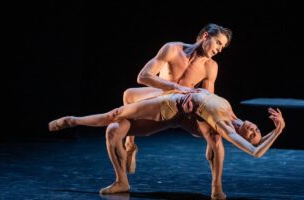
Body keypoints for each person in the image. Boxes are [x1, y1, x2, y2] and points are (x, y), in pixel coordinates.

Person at [49, 89, 286, 199]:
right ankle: (120, 157)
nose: (254, 130)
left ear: (243, 138)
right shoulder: (233, 116)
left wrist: (278, 131)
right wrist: (272, 130)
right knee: (120, 112)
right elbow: (256, 143)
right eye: (257, 129)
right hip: (178, 98)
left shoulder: (224, 126)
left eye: (253, 134)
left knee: (116, 114)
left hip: (170, 106)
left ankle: (72, 120)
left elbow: (255, 153)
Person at [94, 23, 232, 198]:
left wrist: (199, 117)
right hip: (159, 107)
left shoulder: (211, 67)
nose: (220, 49)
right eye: (218, 43)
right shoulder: (172, 49)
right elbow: (143, 76)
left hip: (184, 113)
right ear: (206, 36)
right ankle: (122, 178)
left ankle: (217, 188)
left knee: (215, 135)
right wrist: (176, 87)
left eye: (223, 46)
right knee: (114, 127)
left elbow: (208, 101)